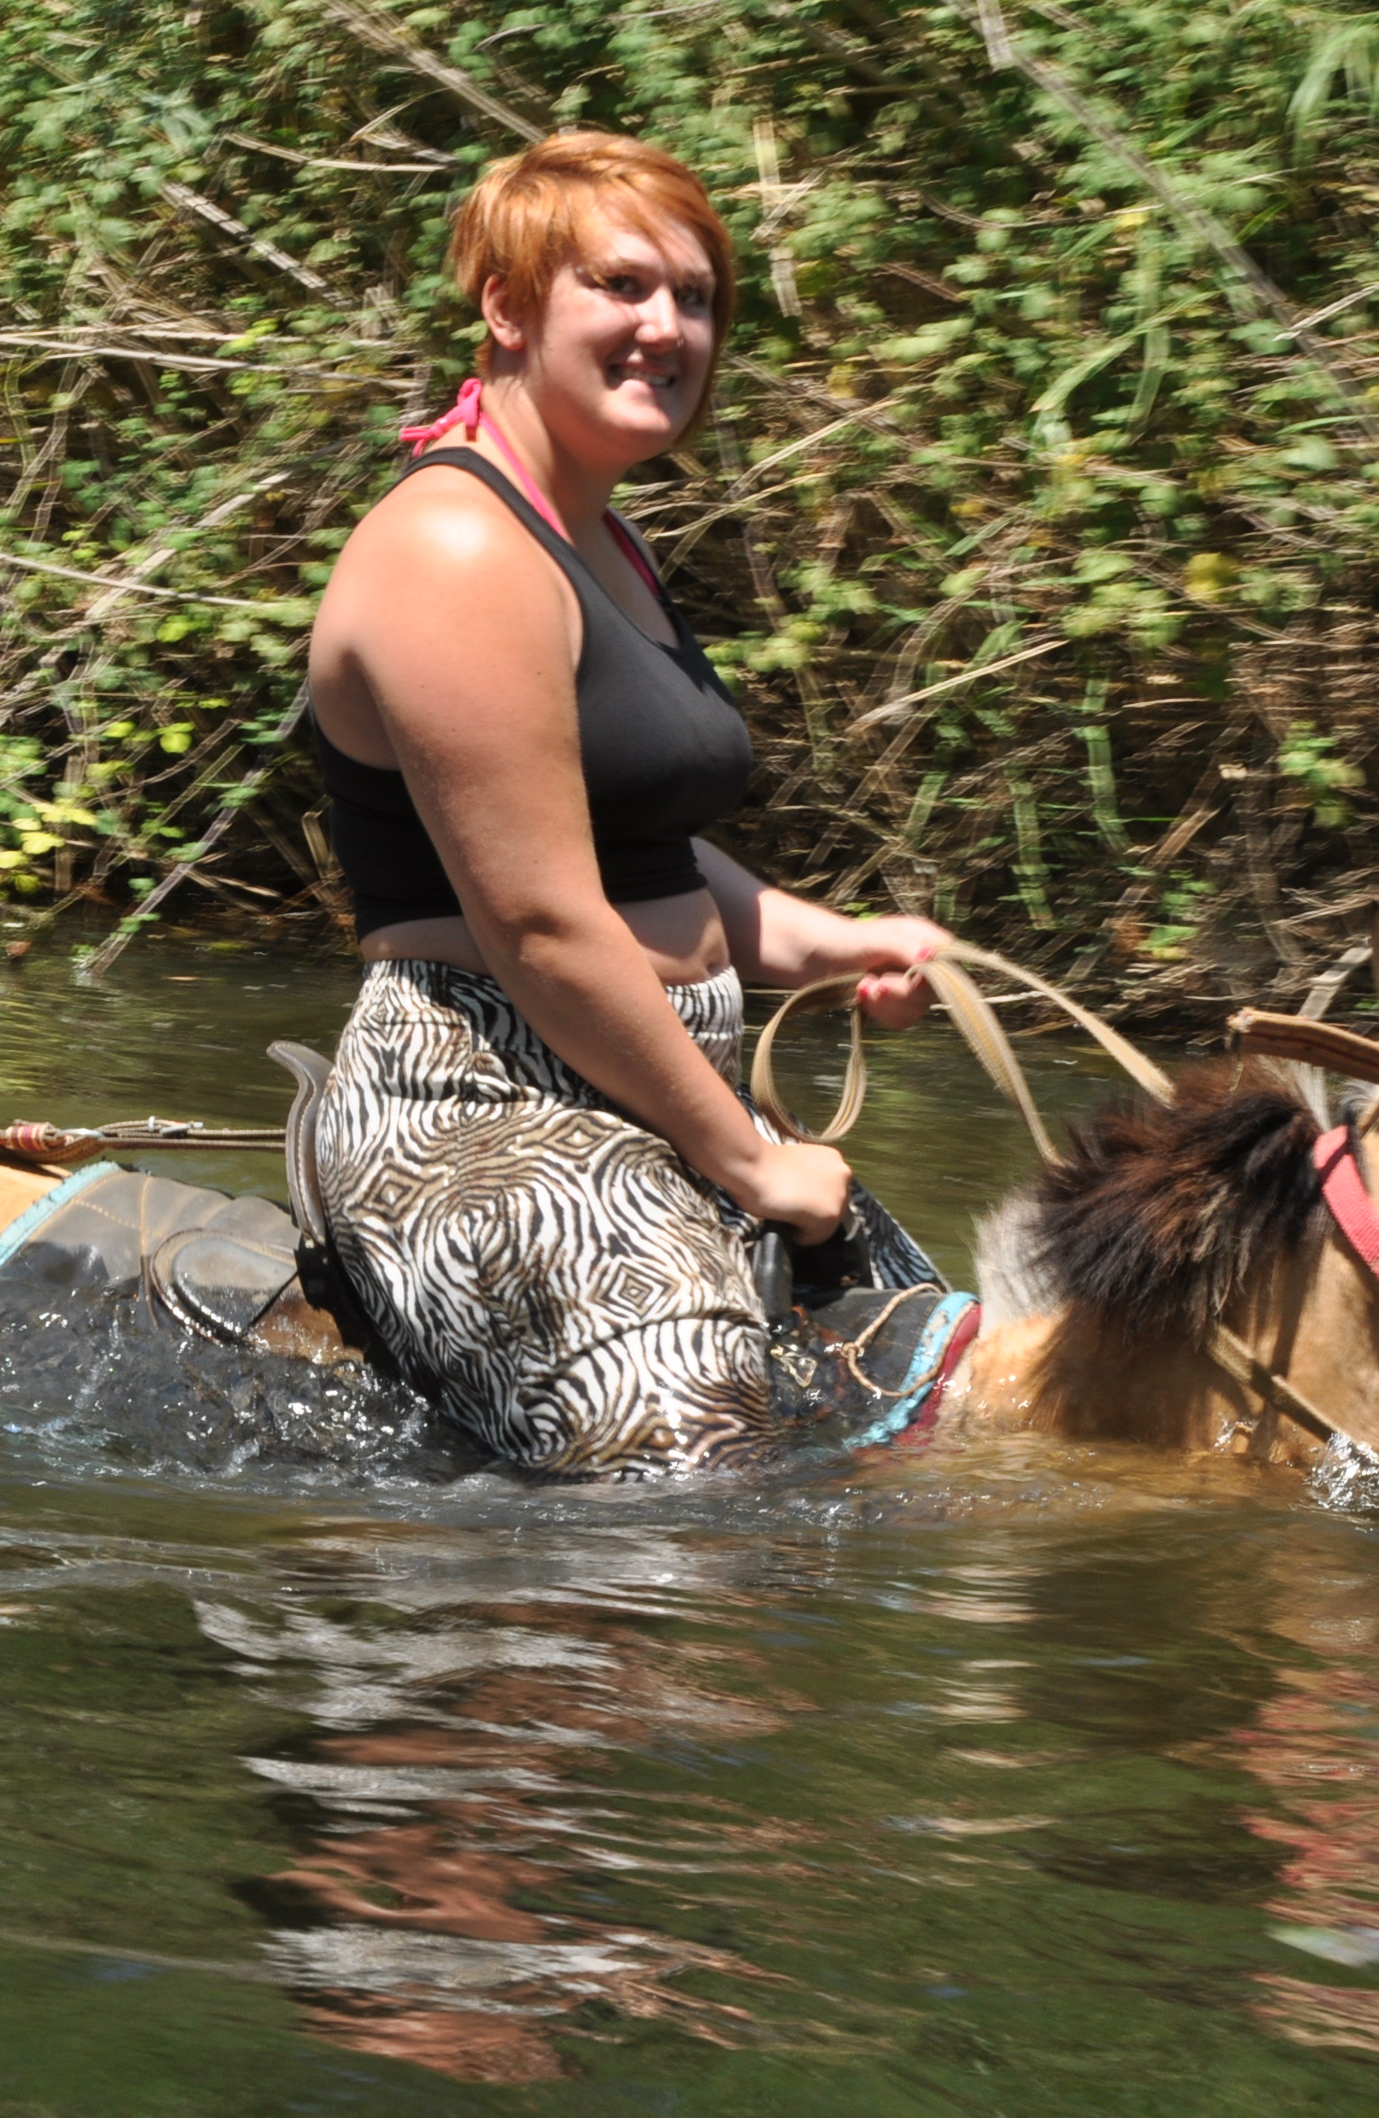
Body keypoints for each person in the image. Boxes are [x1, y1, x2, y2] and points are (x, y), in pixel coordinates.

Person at [302, 131, 970, 1478]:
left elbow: (630, 847)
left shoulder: (604, 543)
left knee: (939, 1403)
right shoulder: (454, 548)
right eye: (621, 285)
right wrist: (752, 1162)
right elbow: (544, 923)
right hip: (477, 1102)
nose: (667, 326)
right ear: (506, 305)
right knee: (701, 1486)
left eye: (699, 296)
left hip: (651, 1087)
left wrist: (837, 945)